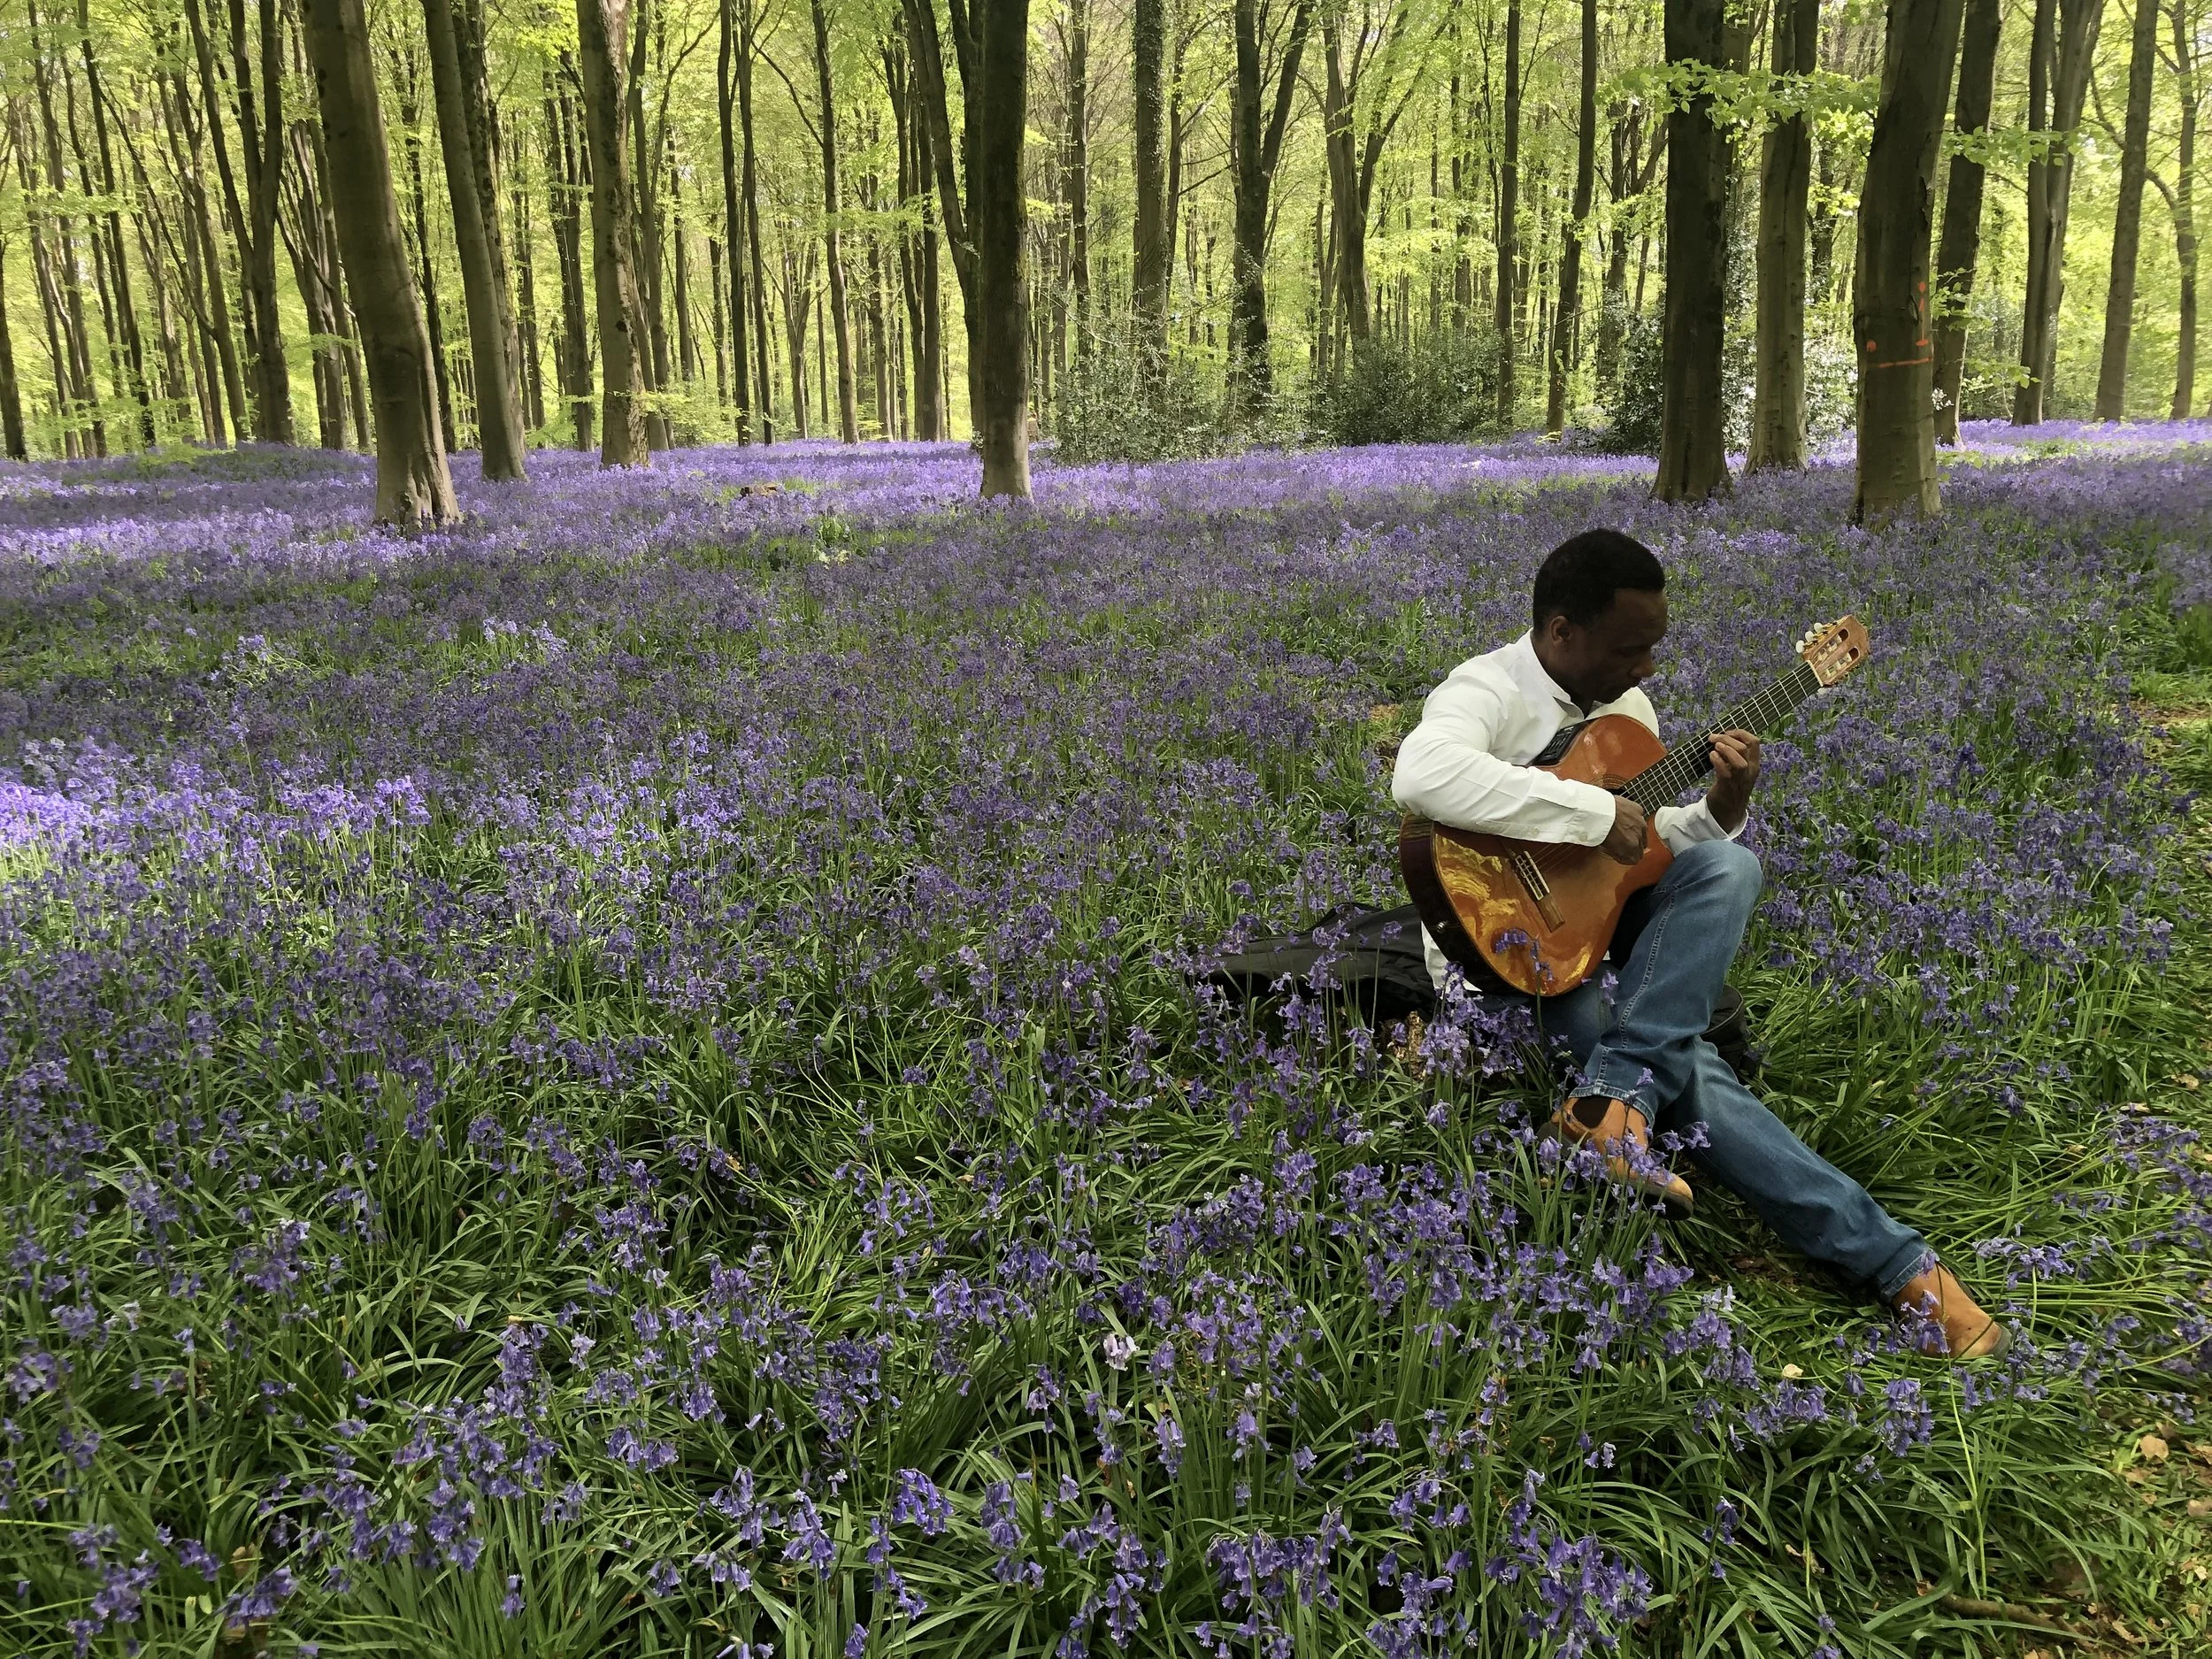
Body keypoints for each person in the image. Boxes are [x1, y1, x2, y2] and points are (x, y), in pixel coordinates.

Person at [1390, 528, 2008, 1361]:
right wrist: (1594, 813)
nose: (1647, 668)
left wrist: (1720, 803)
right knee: (1694, 1076)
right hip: (1504, 958)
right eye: (1630, 647)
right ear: (1563, 631)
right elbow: (1422, 775)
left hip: (1598, 935)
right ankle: (1895, 1261)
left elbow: (1640, 852)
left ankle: (1609, 1105)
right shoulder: (1487, 687)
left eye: (1655, 646)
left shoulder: (1629, 714)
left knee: (1726, 864)